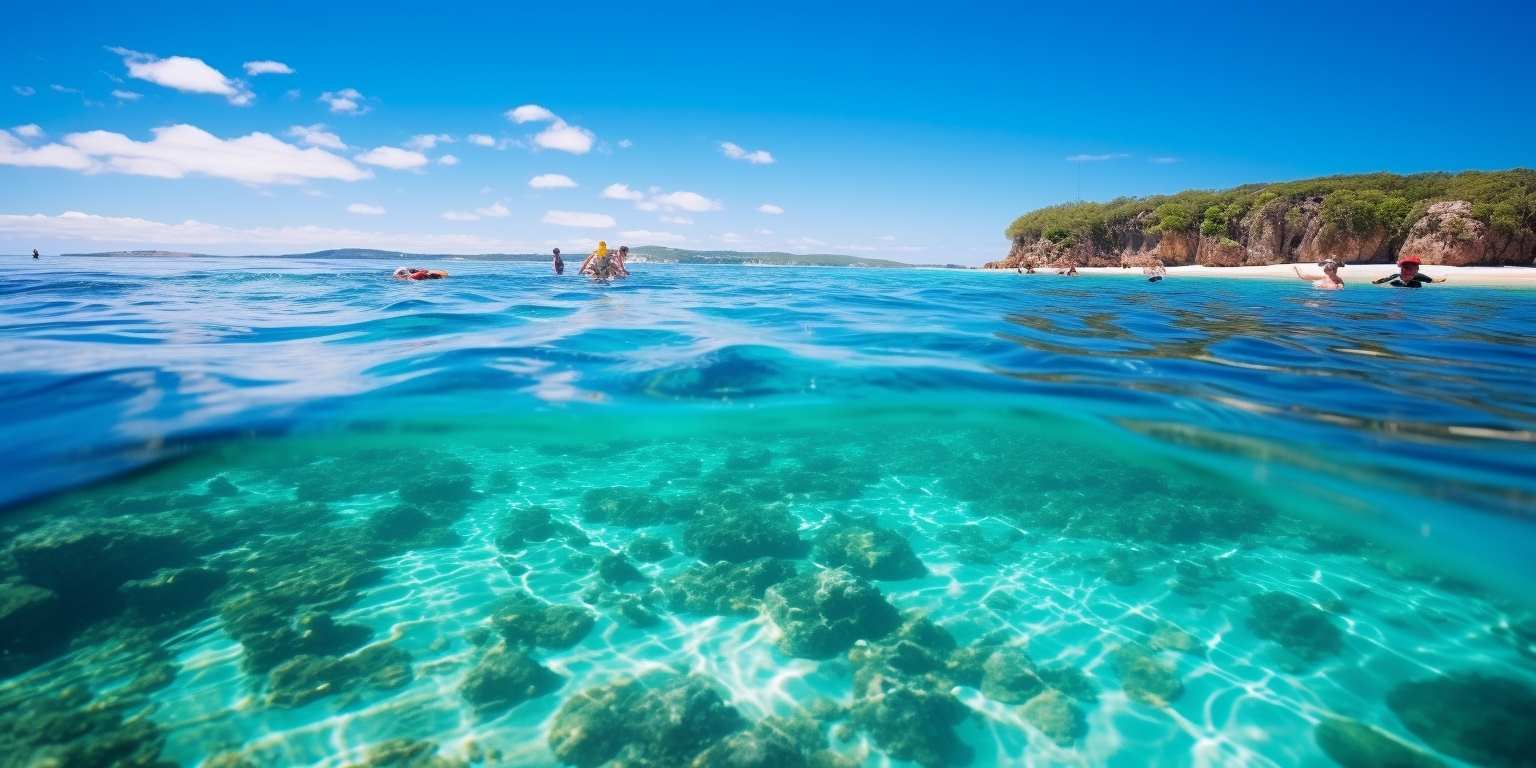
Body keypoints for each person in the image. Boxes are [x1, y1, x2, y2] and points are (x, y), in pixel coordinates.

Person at [1372, 256, 1445, 287]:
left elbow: (1431, 280)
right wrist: (1375, 282)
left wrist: (1440, 281)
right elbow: (1381, 282)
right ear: (1401, 269)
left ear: (1416, 271)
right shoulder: (1394, 280)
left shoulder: (1417, 278)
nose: (1407, 272)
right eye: (1406, 268)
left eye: (1411, 269)